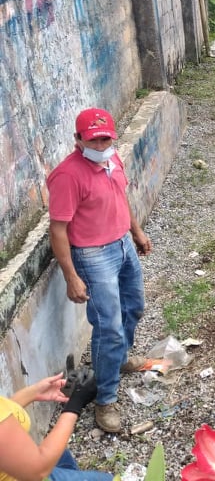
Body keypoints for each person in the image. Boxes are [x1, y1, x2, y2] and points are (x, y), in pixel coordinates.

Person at [47, 109, 152, 434]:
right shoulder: (67, 176)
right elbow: (58, 230)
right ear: (78, 140)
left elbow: (120, 197)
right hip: (93, 256)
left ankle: (118, 360)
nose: (101, 145)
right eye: (94, 140)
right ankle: (105, 399)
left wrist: (136, 232)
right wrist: (71, 276)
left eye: (106, 138)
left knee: (134, 307)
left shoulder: (112, 159)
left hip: (122, 244)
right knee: (109, 328)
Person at [0, 368, 115, 480]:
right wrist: (75, 404)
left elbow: (4, 411)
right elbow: (38, 470)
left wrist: (35, 392)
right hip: (32, 472)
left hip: (18, 465)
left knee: (64, 458)